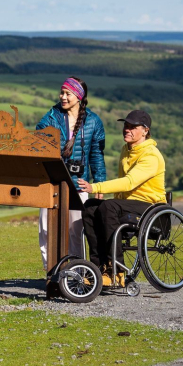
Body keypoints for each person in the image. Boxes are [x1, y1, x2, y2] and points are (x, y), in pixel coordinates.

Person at [77, 109, 166, 286]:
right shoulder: (126, 150)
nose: (127, 129)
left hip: (151, 207)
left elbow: (129, 183)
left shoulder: (151, 155)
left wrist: (95, 186)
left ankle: (116, 271)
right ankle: (98, 268)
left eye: (133, 126)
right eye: (126, 125)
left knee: (108, 207)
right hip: (127, 205)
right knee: (90, 207)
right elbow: (122, 190)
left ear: (145, 130)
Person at [36, 77, 106, 270]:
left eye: (68, 94)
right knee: (46, 229)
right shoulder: (51, 117)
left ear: (79, 96)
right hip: (51, 183)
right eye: (62, 92)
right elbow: (38, 139)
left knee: (76, 230)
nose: (63, 97)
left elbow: (97, 155)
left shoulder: (93, 121)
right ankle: (52, 273)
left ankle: (77, 273)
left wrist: (99, 183)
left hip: (79, 184)